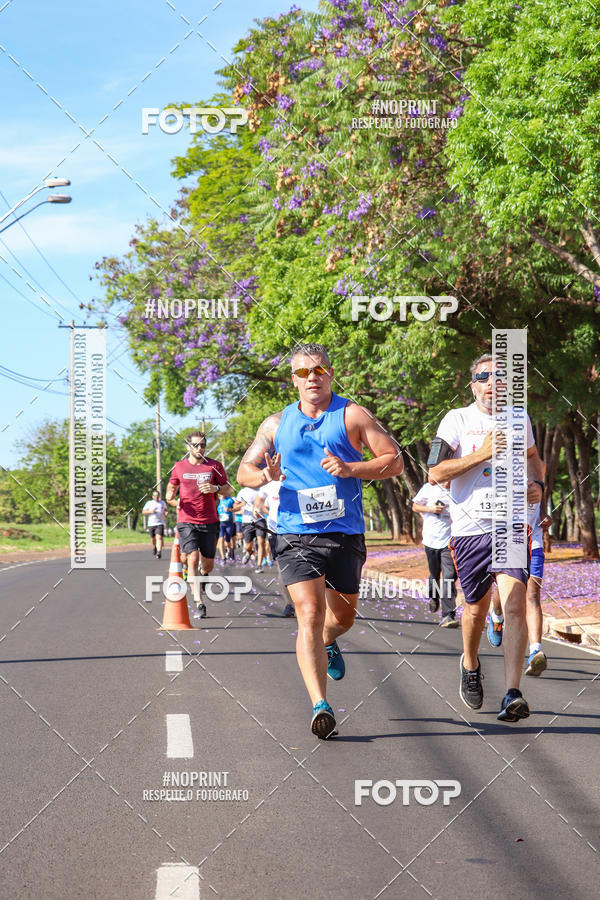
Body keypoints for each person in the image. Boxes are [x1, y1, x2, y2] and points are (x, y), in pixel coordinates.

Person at [237, 343, 404, 739]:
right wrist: (265, 476)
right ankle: (320, 705)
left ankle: (329, 640)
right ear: (293, 379)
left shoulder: (353, 415)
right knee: (309, 613)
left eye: (318, 370)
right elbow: (244, 471)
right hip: (295, 532)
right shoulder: (275, 424)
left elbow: (394, 460)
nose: (311, 377)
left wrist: (351, 468)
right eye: (303, 372)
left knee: (342, 618)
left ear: (330, 373)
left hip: (344, 532)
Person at [428, 353, 544, 723]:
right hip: (469, 530)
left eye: (499, 376)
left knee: (514, 603)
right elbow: (435, 472)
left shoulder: (519, 419)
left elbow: (534, 458)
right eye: (483, 376)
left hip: (510, 525)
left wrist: (538, 483)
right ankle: (470, 663)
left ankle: (512, 693)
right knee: (476, 610)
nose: (491, 382)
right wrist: (483, 454)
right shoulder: (456, 420)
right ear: (473, 385)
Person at [165, 431, 228, 617]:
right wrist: (170, 495)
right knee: (192, 557)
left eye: (202, 445)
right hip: (186, 520)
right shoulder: (179, 466)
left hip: (210, 520)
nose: (199, 448)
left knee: (207, 564)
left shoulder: (214, 466)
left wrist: (216, 488)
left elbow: (228, 489)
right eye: (195, 445)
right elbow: (172, 486)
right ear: (188, 447)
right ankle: (200, 603)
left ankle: (203, 573)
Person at [412, 476, 459, 627]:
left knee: (449, 576)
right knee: (434, 574)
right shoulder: (429, 488)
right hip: (430, 540)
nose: (447, 482)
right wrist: (430, 509)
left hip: (449, 541)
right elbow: (415, 507)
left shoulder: (458, 489)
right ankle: (433, 595)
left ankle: (448, 615)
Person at [255, 479, 295, 617]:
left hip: (298, 529)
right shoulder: (269, 484)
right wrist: (256, 507)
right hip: (275, 531)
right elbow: (260, 498)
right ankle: (289, 604)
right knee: (282, 569)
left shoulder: (295, 477)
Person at [235, 485, 268, 571]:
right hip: (247, 521)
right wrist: (242, 504)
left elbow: (267, 505)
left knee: (261, 542)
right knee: (247, 546)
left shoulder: (262, 490)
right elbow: (234, 507)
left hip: (259, 520)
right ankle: (249, 552)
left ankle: (259, 565)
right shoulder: (243, 492)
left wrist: (262, 510)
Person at [142, 490, 167, 559]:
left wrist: (166, 513)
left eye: (157, 495)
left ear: (159, 496)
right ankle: (154, 547)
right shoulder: (149, 503)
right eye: (155, 495)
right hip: (151, 523)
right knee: (153, 539)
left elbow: (165, 509)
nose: (156, 497)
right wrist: (150, 511)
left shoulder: (162, 503)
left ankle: (159, 552)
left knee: (159, 537)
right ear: (153, 496)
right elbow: (143, 512)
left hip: (160, 523)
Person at [217, 484, 236, 561]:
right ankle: (223, 557)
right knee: (221, 539)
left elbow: (237, 509)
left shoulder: (230, 500)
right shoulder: (217, 500)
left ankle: (229, 550)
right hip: (220, 523)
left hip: (229, 522)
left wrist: (229, 510)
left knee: (228, 541)